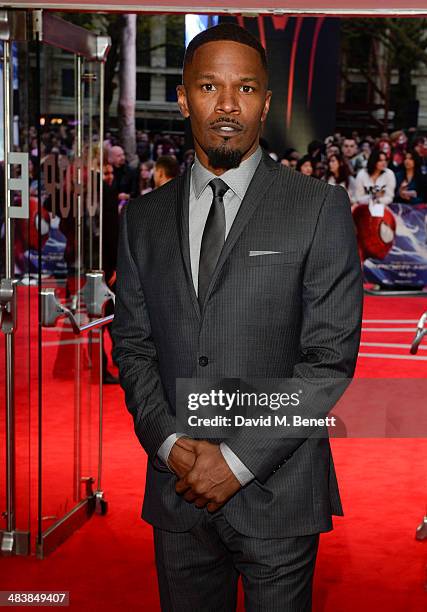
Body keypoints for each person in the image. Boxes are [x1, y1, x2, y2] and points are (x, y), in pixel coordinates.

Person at [112, 23, 363, 611]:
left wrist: (236, 460)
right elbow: (133, 346)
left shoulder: (317, 208)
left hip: (279, 492)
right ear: (182, 98)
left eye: (245, 89)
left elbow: (328, 359)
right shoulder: (143, 219)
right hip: (177, 493)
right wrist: (171, 443)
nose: (228, 106)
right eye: (209, 87)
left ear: (266, 102)